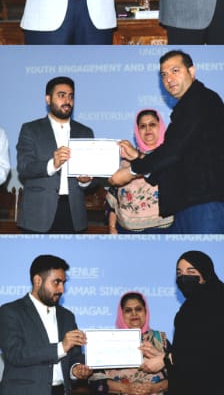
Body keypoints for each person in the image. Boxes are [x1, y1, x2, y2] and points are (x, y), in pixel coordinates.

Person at [111, 49, 224, 233]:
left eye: (175, 71)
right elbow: (177, 156)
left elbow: (173, 151)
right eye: (164, 75)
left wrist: (133, 170)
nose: (169, 79)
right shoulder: (188, 105)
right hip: (187, 205)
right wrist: (138, 157)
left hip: (204, 205)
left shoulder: (199, 99)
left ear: (191, 71)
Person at [137, 251, 224, 395]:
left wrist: (165, 359)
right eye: (179, 273)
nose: (183, 277)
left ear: (205, 274)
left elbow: (212, 350)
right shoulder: (190, 306)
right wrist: (162, 355)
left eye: (191, 272)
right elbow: (189, 350)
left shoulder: (219, 305)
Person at [0, 255, 89, 394]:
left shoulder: (67, 316)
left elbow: (75, 355)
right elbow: (15, 354)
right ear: (38, 281)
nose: (62, 289)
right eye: (56, 282)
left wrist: (75, 369)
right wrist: (61, 347)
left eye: (63, 283)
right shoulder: (10, 311)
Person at [16, 76, 95, 233]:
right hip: (38, 214)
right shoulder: (30, 129)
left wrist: (85, 181)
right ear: (48, 99)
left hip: (73, 214)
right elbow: (24, 168)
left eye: (71, 96)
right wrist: (52, 164)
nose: (67, 101)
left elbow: (95, 176)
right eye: (61, 95)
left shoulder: (85, 132)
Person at [106, 109, 173, 234]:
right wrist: (112, 227)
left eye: (152, 124)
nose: (148, 129)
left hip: (163, 231)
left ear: (160, 127)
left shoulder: (169, 157)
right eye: (142, 126)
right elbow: (113, 199)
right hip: (126, 232)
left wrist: (138, 157)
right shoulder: (126, 160)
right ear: (137, 131)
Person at [89, 291, 169, 391]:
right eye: (128, 310)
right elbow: (95, 379)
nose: (134, 314)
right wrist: (126, 388)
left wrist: (155, 388)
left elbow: (178, 374)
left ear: (145, 311)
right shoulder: (108, 340)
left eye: (138, 309)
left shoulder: (160, 339)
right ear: (121, 314)